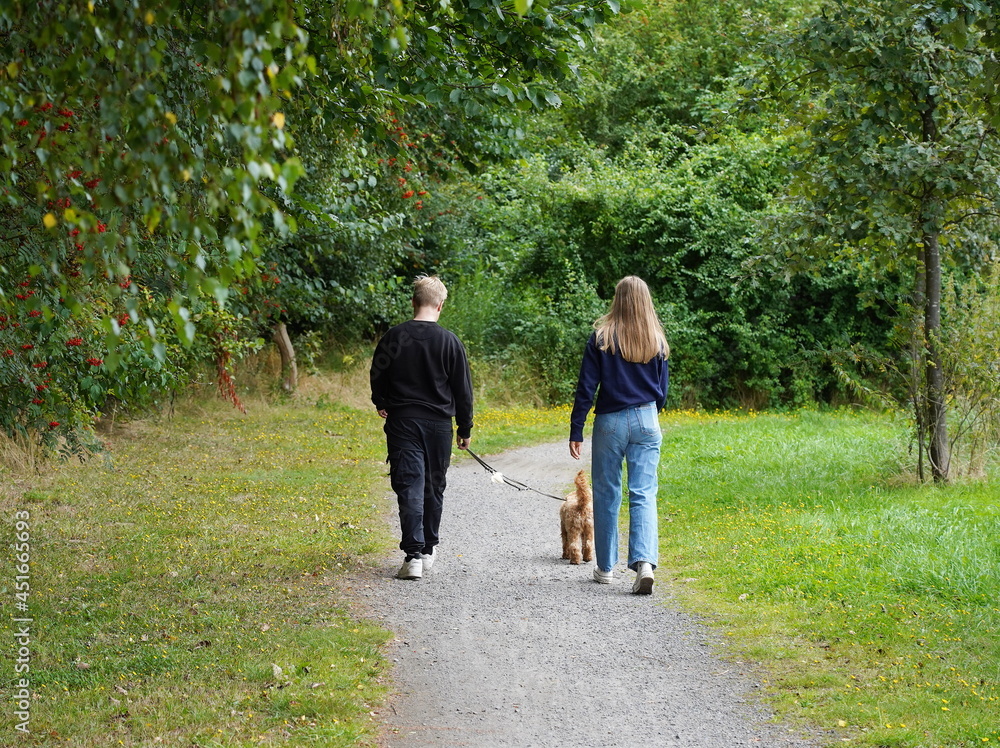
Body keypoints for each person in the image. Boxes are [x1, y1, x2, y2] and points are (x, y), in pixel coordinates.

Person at [569, 276, 669, 595]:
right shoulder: (656, 339)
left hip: (610, 420)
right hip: (647, 417)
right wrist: (649, 414)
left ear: (618, 299)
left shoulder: (602, 337)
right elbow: (663, 389)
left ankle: (605, 568)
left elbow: (587, 386)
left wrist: (576, 428)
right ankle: (645, 564)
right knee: (643, 492)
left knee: (607, 492)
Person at [370, 275, 473, 581]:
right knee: (433, 485)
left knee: (409, 485)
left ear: (413, 302)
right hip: (439, 425)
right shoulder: (450, 342)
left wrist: (381, 401)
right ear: (440, 305)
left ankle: (413, 556)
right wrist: (464, 428)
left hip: (403, 422)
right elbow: (463, 390)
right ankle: (427, 549)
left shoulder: (394, 337)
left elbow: (377, 372)